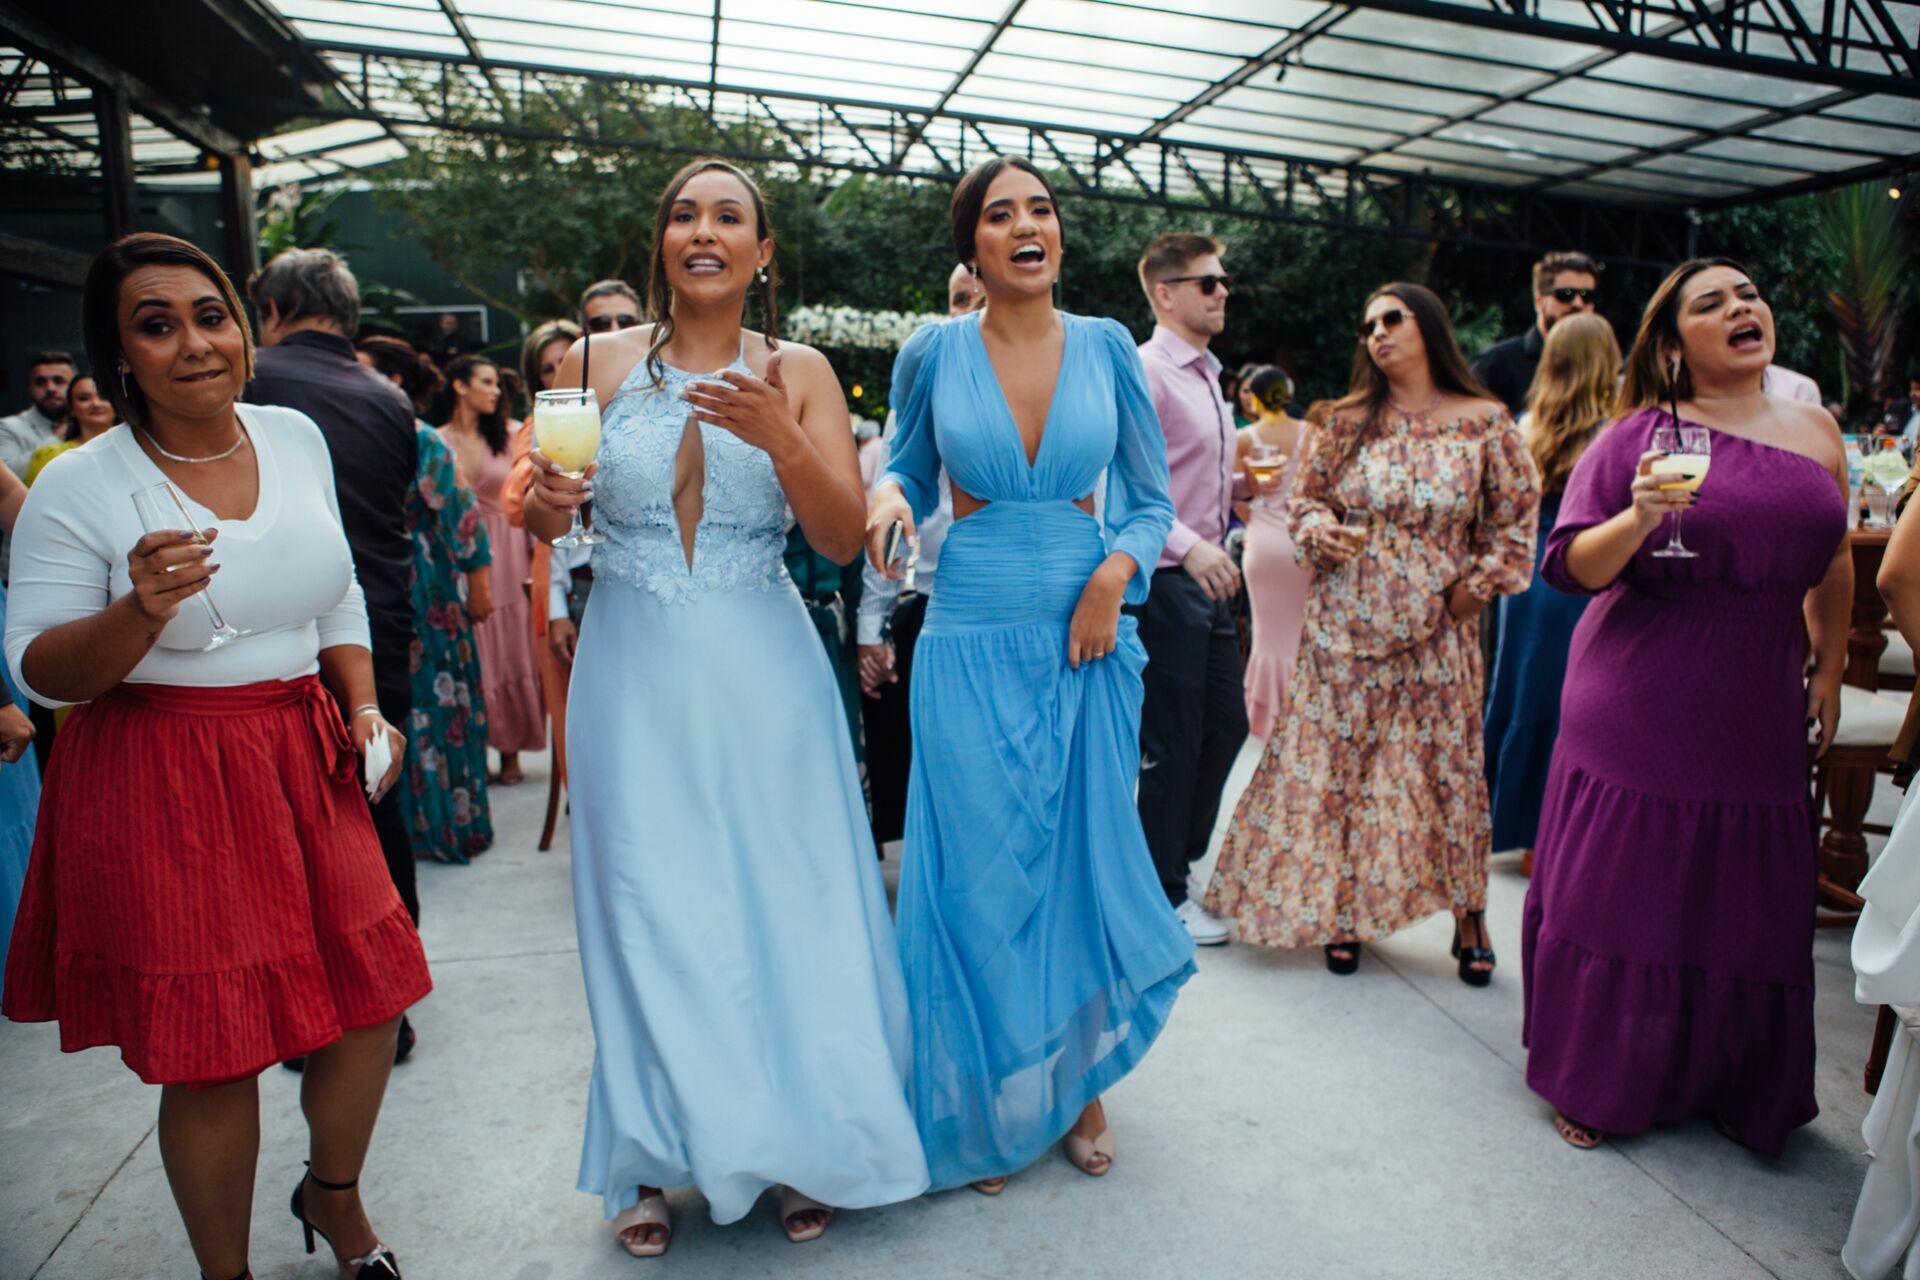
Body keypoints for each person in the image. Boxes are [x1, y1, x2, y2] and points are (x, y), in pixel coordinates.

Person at [2, 231, 429, 1280]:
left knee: (372, 1004)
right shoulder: (78, 483)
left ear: (244, 327)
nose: (193, 343)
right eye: (157, 325)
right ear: (118, 356)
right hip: (164, 772)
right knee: (214, 1045)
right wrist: (138, 611)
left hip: (305, 751)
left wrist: (366, 706)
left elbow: (335, 586)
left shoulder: (293, 435)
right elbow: (42, 667)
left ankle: (332, 1196)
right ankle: (225, 1273)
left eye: (210, 315)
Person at [524, 158, 927, 1253]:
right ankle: (646, 1160)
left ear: (763, 253)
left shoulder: (800, 369)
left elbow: (842, 540)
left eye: (729, 217)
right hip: (633, 664)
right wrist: (547, 501)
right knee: (646, 902)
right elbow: (546, 518)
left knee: (787, 903)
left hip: (767, 664)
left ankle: (803, 1139)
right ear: (661, 243)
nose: (704, 231)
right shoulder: (590, 360)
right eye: (684, 215)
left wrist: (784, 433)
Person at [867, 156, 1193, 1193]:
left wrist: (1115, 569)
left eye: (1039, 209)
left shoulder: (1106, 349)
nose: (1024, 225)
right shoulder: (933, 350)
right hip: (966, 628)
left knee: (1076, 859)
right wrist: (889, 505)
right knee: (976, 866)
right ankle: (981, 1094)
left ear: (1059, 234)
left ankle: (1075, 1083)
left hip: (1087, 635)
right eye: (999, 214)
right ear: (973, 247)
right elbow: (908, 466)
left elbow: (1149, 499)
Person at [1521, 258, 1850, 1156]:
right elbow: (1570, 567)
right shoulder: (1637, 435)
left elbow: (1834, 558)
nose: (1744, 307)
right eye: (1714, 303)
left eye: (1749, 293)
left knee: (1747, 895)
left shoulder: (1818, 428)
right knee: (1629, 888)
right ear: (1673, 346)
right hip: (1644, 687)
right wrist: (1635, 516)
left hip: (1759, 690)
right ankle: (1599, 1072)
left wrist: (1824, 669)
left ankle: (1734, 1077)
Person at [1207, 283, 1539, 982]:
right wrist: (1318, 530)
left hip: (1438, 629)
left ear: (1431, 327)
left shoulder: (1484, 422)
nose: (1378, 333)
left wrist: (1471, 592)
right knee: (1344, 773)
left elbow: (1515, 521)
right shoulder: (1346, 420)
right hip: (1343, 623)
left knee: (1448, 771)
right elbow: (1304, 501)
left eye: (1393, 319)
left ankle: (1470, 913)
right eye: (1368, 325)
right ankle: (1343, 908)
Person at [248, 250, 423, 950]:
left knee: (287, 821)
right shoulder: (390, 398)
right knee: (378, 802)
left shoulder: (250, 381)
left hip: (276, 627)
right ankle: (395, 976)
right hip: (379, 620)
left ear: (273, 311)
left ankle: (322, 988)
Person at [1131, 232, 1248, 946]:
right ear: (1164, 293)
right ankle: (1159, 888)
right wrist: (1189, 543)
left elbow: (1195, 476)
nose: (1223, 291)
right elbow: (1126, 482)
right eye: (1208, 282)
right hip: (1168, 576)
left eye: (1223, 280)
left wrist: (1240, 492)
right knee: (1172, 740)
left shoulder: (1207, 373)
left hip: (1211, 578)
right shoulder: (1146, 371)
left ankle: (1177, 861)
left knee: (1228, 724)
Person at [1483, 312, 1619, 865]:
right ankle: (1559, 830)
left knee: (1521, 693)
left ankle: (1514, 823)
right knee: (1579, 698)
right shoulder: (1616, 430)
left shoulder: (1525, 422)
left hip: (1528, 573)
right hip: (1587, 570)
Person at [358, 336, 495, 865]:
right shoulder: (345, 434)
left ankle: (448, 825)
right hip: (374, 580)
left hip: (428, 586)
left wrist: (478, 584)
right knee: (399, 705)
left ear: (394, 382)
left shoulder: (421, 439)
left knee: (438, 703)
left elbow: (464, 516)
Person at [856, 262, 977, 851]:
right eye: (959, 298)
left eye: (981, 295)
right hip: (930, 607)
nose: (971, 308)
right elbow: (890, 516)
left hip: (1039, 609)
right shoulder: (922, 387)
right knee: (935, 779)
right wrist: (869, 627)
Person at [439, 354, 544, 786]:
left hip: (509, 549)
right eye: (486, 382)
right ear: (460, 386)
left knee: (510, 650)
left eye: (498, 384)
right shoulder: (437, 439)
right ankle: (475, 745)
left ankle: (511, 749)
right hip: (459, 555)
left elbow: (528, 496)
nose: (496, 390)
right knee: (475, 653)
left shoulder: (511, 434)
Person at [503, 317, 585, 813]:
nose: (559, 376)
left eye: (567, 363)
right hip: (559, 587)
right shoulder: (537, 430)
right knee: (572, 715)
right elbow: (515, 503)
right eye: (548, 369)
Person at [1236, 366, 1312, 739]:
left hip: (1264, 546)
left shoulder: (1245, 439)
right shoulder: (1311, 433)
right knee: (1301, 633)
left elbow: (1236, 497)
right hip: (1302, 543)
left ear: (1255, 397)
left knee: (1265, 636)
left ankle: (1266, 720)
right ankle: (1302, 712)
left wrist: (1260, 520)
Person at [1473, 251, 1602, 416]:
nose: (1577, 303)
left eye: (1587, 296)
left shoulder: (1601, 367)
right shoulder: (1497, 364)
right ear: (1539, 302)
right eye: (1566, 294)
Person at [25, 371, 117, 485]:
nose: (95, 403)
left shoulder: (138, 447)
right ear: (71, 407)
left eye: (104, 397)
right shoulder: (51, 455)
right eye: (84, 398)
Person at [0, 350, 74, 478]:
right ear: (29, 388)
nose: (50, 388)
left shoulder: (96, 422)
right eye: (40, 382)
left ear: (75, 386)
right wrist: (57, 437)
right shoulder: (7, 427)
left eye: (58, 381)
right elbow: (7, 481)